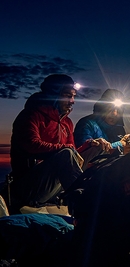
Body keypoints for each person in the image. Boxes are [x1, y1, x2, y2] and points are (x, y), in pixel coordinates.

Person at [6, 74, 86, 214]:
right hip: (28, 188)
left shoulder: (67, 123)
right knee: (66, 154)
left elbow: (74, 155)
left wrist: (92, 147)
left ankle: (92, 194)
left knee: (81, 153)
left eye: (73, 96)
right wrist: (65, 149)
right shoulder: (31, 115)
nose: (72, 101)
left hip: (53, 189)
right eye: (67, 96)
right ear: (53, 95)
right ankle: (85, 202)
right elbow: (32, 145)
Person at [74, 89, 130, 163]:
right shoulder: (87, 123)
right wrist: (120, 144)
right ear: (102, 108)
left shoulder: (119, 129)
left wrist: (128, 148)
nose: (114, 114)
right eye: (111, 109)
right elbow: (85, 151)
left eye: (118, 110)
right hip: (90, 170)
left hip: (114, 167)